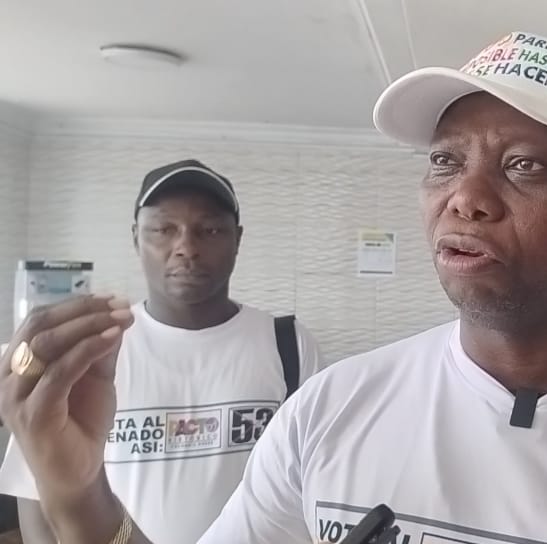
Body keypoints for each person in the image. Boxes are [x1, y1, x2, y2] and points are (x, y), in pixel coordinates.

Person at [0, 32, 547, 543]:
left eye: (525, 166)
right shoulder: (330, 411)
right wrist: (77, 490)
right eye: (446, 161)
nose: (467, 197)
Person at [0, 160, 322, 544]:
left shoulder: (288, 344)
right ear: (136, 238)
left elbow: (316, 477)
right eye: (163, 229)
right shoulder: (92, 350)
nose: (186, 247)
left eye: (210, 230)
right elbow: (34, 491)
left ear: (237, 239)